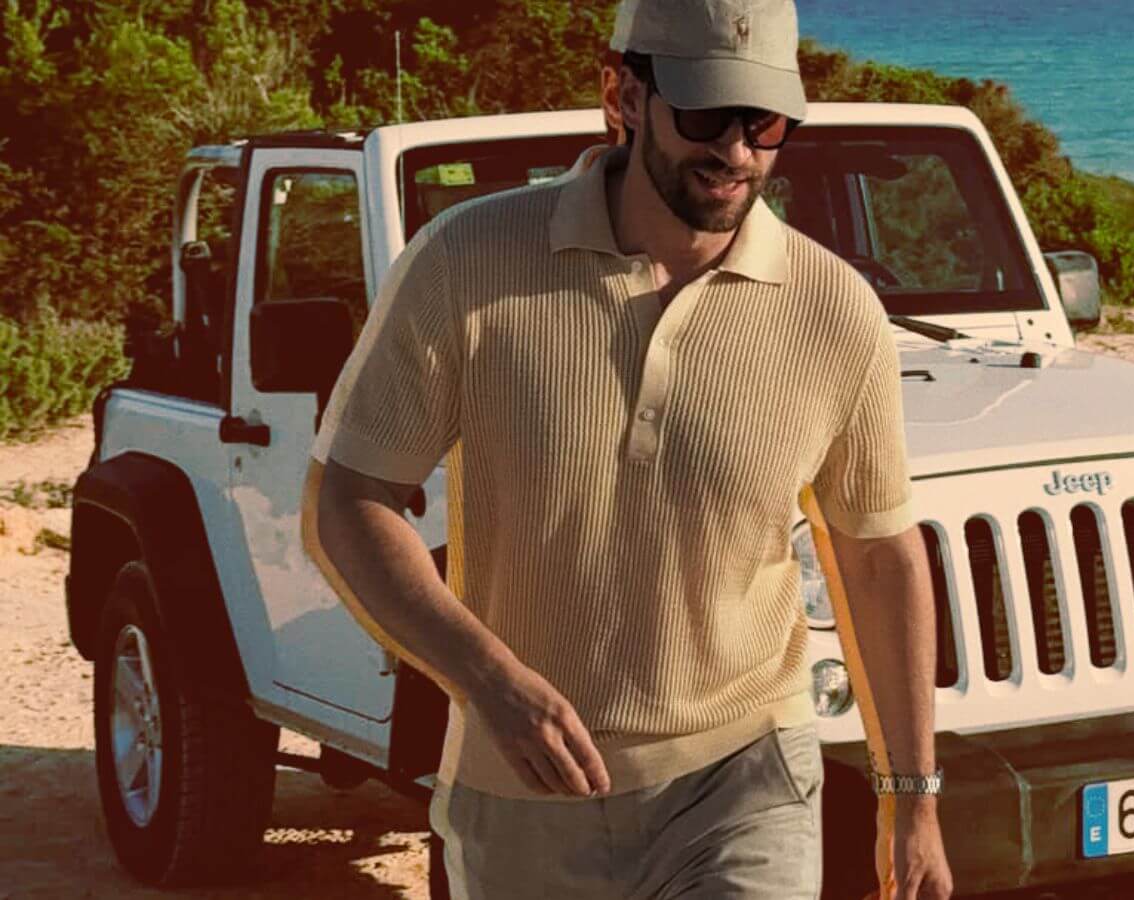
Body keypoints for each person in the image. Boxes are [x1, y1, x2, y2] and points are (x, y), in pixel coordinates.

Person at [299, 0, 955, 897]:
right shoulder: (465, 261)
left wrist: (911, 800)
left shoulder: (834, 310)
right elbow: (350, 499)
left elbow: (879, 556)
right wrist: (490, 682)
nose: (735, 150)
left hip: (746, 775)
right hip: (521, 790)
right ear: (624, 94)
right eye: (703, 113)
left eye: (763, 122)